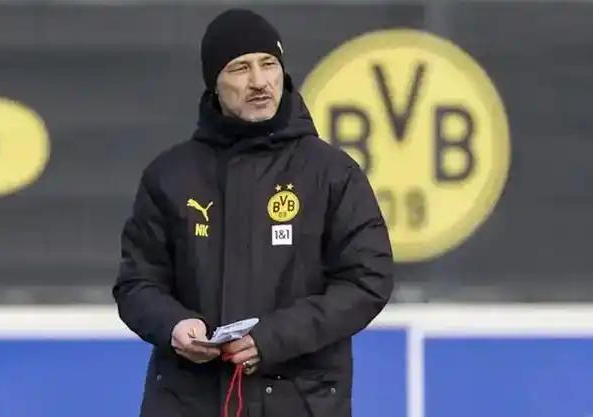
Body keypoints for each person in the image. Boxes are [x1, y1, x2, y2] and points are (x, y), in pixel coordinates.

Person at [112, 8, 393, 417]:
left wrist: (274, 338)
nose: (259, 81)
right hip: (189, 401)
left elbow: (367, 281)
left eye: (269, 64)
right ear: (214, 83)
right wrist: (175, 325)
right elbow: (137, 283)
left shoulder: (332, 172)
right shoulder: (169, 176)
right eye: (240, 68)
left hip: (299, 401)